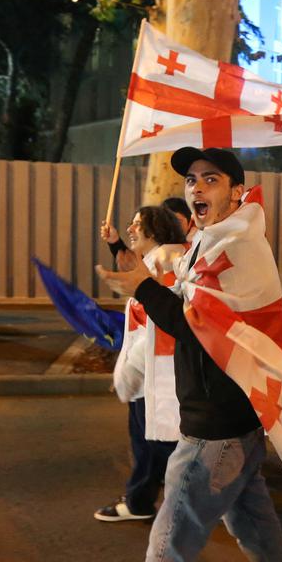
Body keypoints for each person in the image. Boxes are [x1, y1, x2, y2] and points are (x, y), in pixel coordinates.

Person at [53, 147, 282, 562]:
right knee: (257, 528)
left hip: (216, 426)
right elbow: (185, 292)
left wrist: (142, 287)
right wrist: (135, 265)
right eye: (191, 180)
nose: (195, 189)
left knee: (167, 548)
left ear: (237, 190)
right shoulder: (212, 240)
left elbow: (195, 324)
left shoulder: (239, 247)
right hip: (235, 420)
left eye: (209, 180)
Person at [94, 205, 187, 523]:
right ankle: (146, 500)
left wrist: (128, 374)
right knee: (155, 446)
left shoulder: (165, 266)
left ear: (156, 231)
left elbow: (157, 330)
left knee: (158, 446)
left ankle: (149, 503)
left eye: (137, 224)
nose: (131, 229)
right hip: (147, 372)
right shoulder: (156, 261)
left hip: (155, 376)